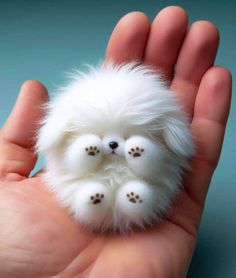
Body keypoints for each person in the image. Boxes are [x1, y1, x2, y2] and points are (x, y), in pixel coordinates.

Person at [0, 6, 232, 278]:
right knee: (83, 179)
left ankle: (137, 184)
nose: (112, 145)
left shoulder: (160, 118)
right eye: (100, 136)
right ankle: (94, 196)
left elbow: (176, 145)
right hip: (86, 181)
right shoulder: (76, 109)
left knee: (147, 178)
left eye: (127, 137)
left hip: (141, 182)